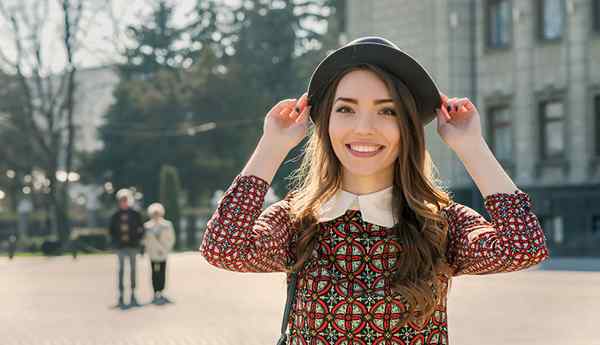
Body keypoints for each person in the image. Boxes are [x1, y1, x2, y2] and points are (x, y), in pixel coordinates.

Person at [200, 37, 549, 344]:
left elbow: (523, 248)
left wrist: (471, 146)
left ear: (408, 127)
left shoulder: (438, 222)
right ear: (326, 123)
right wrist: (272, 146)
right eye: (346, 109)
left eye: (387, 111)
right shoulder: (299, 219)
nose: (364, 128)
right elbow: (223, 248)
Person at [109, 188, 144, 308]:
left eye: (125, 200)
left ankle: (133, 293)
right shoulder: (115, 215)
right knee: (121, 270)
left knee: (133, 270)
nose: (123, 202)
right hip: (121, 247)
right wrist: (114, 243)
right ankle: (121, 295)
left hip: (133, 246)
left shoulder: (135, 214)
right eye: (121, 200)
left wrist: (138, 241)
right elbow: (111, 231)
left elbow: (141, 229)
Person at [143, 202, 175, 304]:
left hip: (163, 252)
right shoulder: (147, 226)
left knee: (162, 272)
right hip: (153, 253)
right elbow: (145, 241)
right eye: (154, 213)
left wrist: (165, 249)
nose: (156, 215)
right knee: (153, 273)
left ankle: (161, 290)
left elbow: (171, 238)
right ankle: (155, 291)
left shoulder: (167, 225)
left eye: (157, 213)